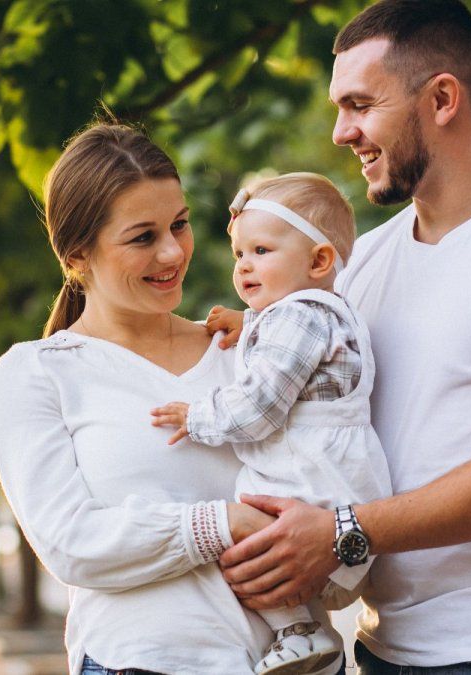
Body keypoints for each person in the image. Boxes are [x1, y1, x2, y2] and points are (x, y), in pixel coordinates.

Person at [215, 1, 471, 673]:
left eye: (359, 105)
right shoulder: (360, 265)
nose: (341, 132)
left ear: (441, 99)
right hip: (384, 648)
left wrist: (344, 531)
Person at [0, 123, 343, 675]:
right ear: (77, 255)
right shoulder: (37, 372)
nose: (173, 251)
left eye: (180, 223)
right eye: (142, 237)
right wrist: (221, 524)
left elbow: (335, 466)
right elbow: (72, 544)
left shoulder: (252, 350)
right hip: (142, 663)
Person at [150, 172, 391, 675]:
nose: (243, 266)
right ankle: (304, 628)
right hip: (339, 478)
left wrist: (198, 416)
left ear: (319, 261)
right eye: (239, 254)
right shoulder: (315, 313)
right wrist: (252, 322)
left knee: (237, 539)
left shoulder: (297, 319)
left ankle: (299, 629)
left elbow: (259, 406)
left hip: (310, 479)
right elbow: (297, 354)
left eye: (261, 251)